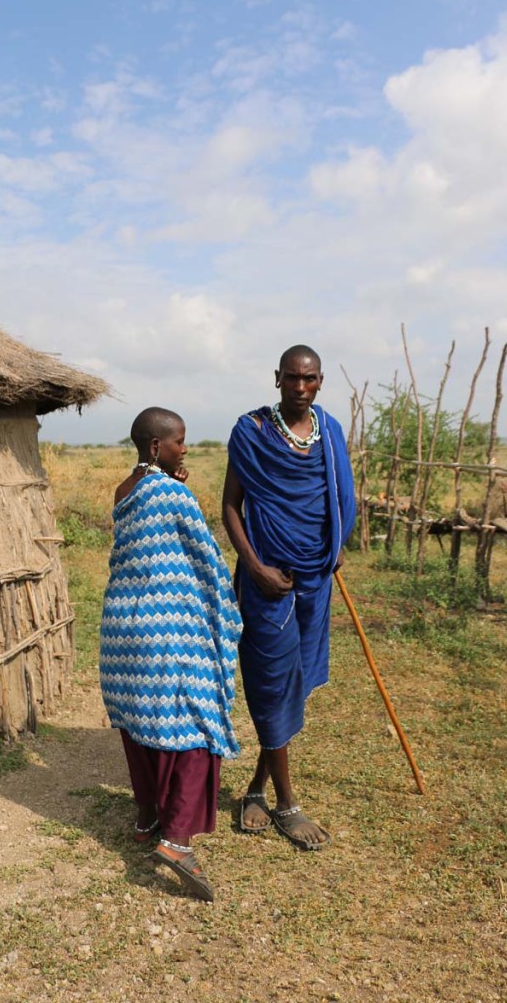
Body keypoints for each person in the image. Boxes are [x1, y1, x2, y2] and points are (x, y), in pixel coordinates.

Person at [99, 407, 242, 901]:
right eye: (179, 441)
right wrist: (225, 601)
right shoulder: (173, 494)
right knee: (192, 722)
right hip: (166, 631)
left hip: (123, 628)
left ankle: (147, 819)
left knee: (141, 723)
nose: (187, 447)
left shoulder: (126, 490)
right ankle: (177, 840)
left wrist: (171, 480)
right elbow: (205, 556)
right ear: (157, 446)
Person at [222, 345, 356, 849]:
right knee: (272, 681)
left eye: (311, 379)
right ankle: (286, 803)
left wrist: (335, 543)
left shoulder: (330, 431)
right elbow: (230, 507)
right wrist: (255, 568)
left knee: (293, 683)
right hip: (266, 582)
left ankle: (256, 786)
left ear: (320, 381)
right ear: (276, 378)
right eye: (293, 379)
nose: (301, 388)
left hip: (314, 580)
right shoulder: (253, 433)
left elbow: (340, 497)